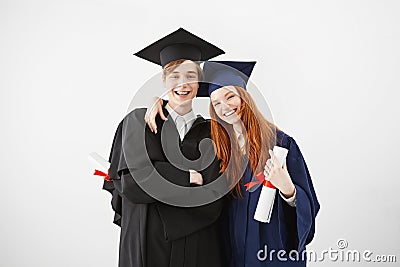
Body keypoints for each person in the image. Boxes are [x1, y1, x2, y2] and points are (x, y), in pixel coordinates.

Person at [147, 61, 320, 266]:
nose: (225, 107)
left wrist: (287, 188)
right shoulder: (219, 147)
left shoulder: (280, 144)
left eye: (230, 97)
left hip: (270, 251)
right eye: (217, 103)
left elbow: (308, 208)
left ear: (244, 98)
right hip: (232, 252)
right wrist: (159, 102)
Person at [102, 28, 228, 267]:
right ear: (163, 80)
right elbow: (132, 183)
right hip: (146, 244)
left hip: (199, 248)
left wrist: (157, 178)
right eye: (174, 76)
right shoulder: (138, 122)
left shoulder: (213, 132)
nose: (183, 83)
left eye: (190, 76)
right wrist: (188, 177)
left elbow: (213, 197)